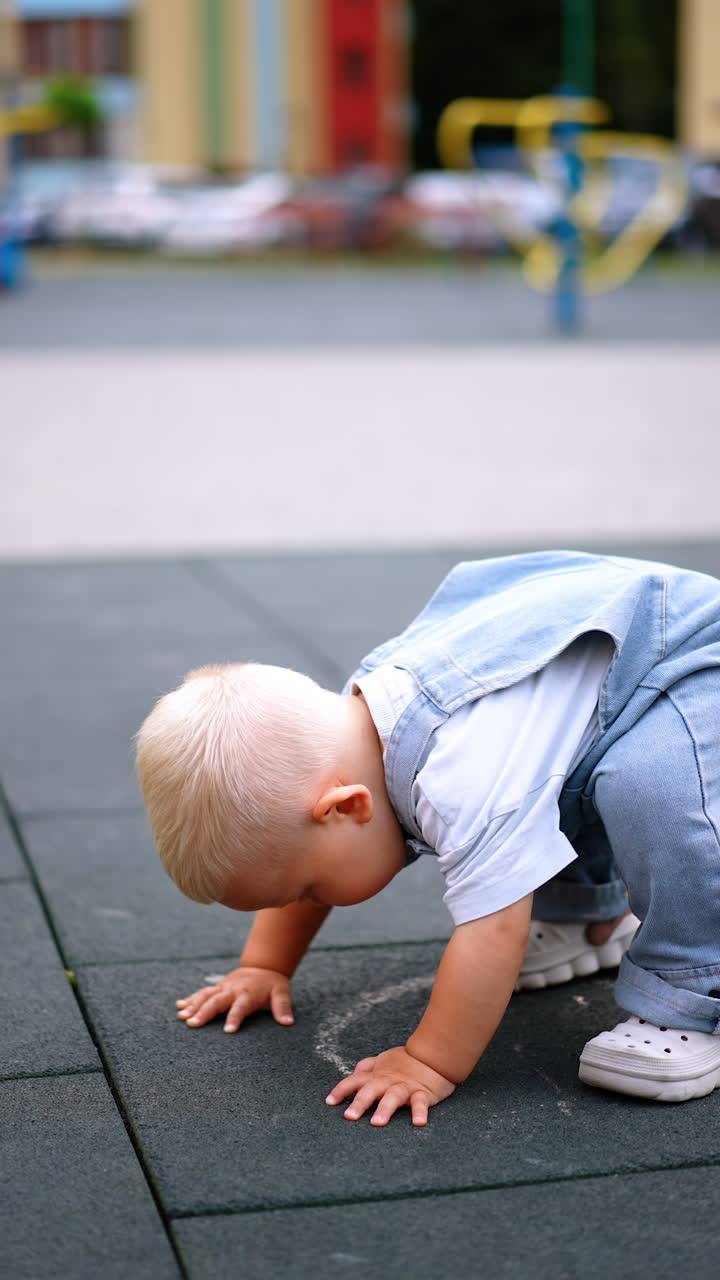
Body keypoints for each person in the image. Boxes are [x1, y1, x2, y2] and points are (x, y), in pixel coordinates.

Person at [135, 550, 720, 1126]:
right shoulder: (341, 736)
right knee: (555, 770)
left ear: (348, 807)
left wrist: (426, 1061)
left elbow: (494, 930)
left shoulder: (460, 778)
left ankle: (694, 990)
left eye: (306, 890)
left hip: (688, 655)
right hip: (605, 652)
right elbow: (301, 851)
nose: (305, 904)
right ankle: (586, 916)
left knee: (653, 787)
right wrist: (265, 966)